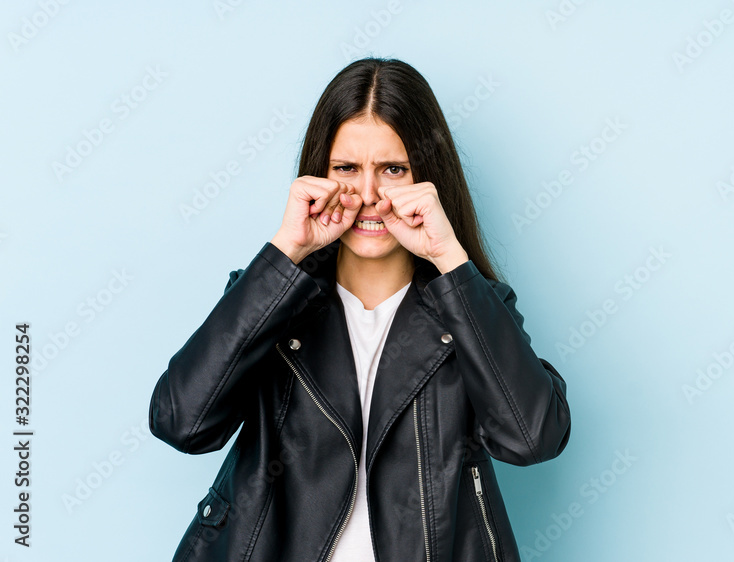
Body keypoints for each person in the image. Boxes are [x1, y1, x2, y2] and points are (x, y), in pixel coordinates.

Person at [148, 57, 571, 562]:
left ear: (427, 179)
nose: (369, 195)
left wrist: (449, 258)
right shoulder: (269, 299)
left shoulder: (474, 308)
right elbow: (182, 423)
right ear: (319, 175)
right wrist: (285, 252)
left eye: (393, 169)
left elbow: (532, 439)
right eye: (347, 169)